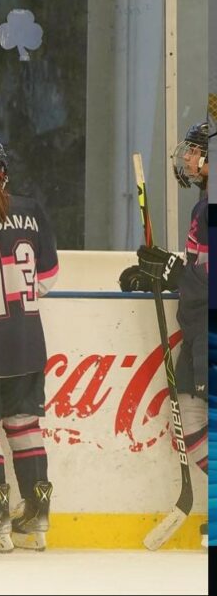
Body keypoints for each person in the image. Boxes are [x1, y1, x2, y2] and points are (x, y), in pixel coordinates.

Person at [119, 118, 210, 548]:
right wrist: (162, 271)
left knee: (196, 420)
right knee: (190, 421)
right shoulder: (204, 204)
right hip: (198, 330)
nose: (187, 158)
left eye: (194, 150)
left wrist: (177, 274)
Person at [0, 137, 59, 552]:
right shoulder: (32, 208)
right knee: (24, 424)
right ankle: (37, 518)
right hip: (28, 337)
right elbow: (49, 278)